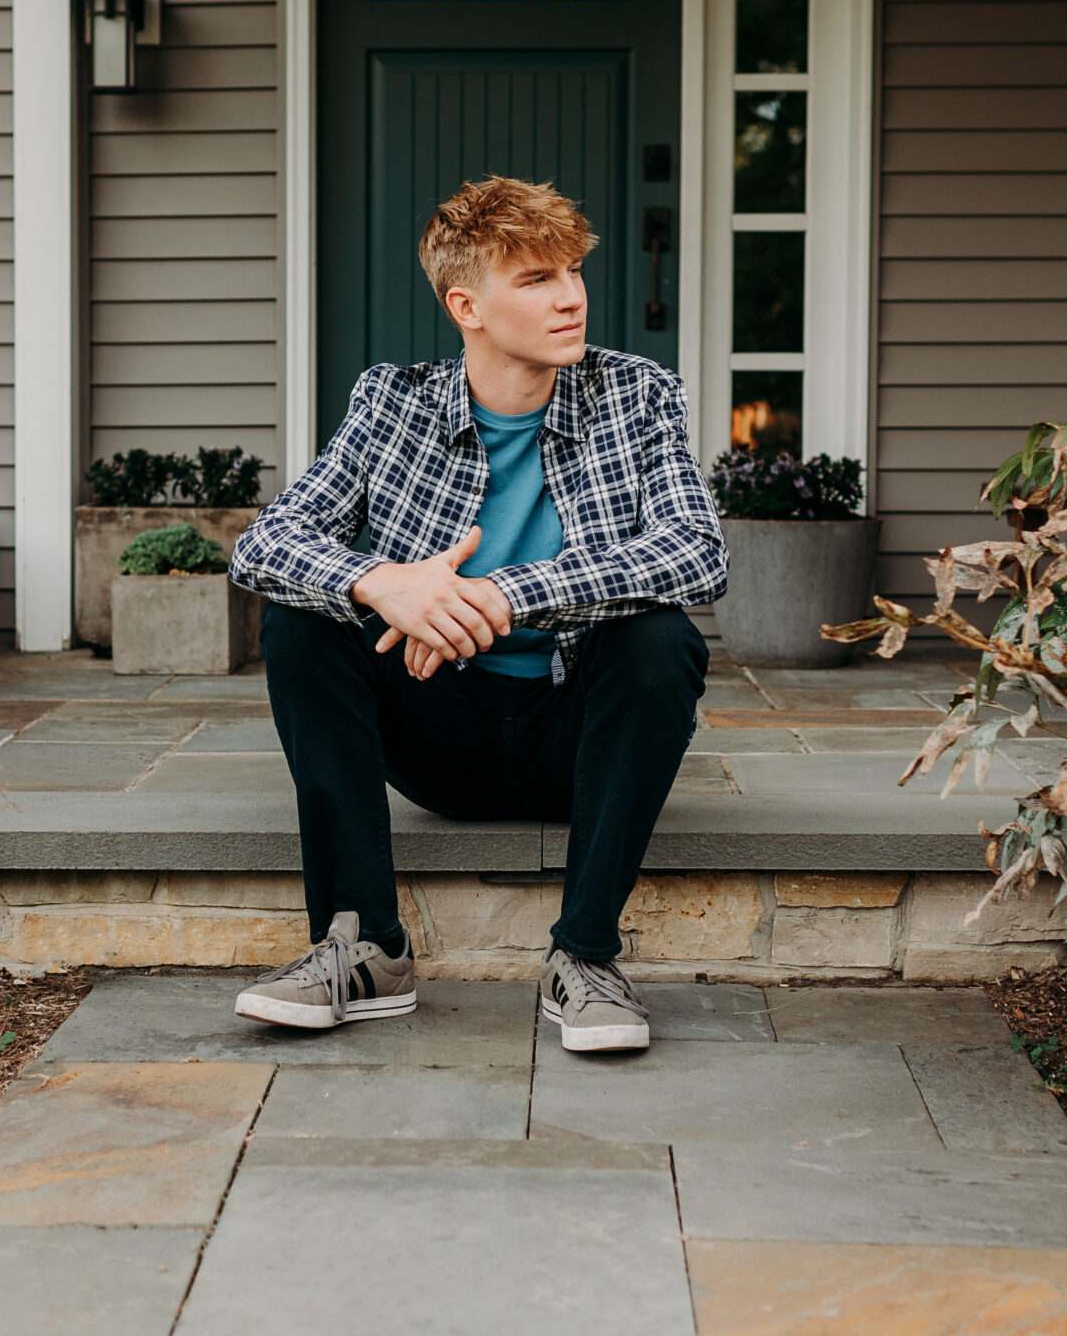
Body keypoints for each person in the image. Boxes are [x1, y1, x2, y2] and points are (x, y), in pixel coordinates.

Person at [227, 174, 727, 1055]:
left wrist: (501, 595)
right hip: (439, 735)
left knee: (660, 638)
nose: (570, 297)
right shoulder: (393, 401)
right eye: (536, 280)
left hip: (578, 739)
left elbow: (697, 553)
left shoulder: (637, 393)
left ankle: (585, 957)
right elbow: (265, 543)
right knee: (301, 622)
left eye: (572, 271)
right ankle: (365, 948)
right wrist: (387, 585)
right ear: (467, 304)